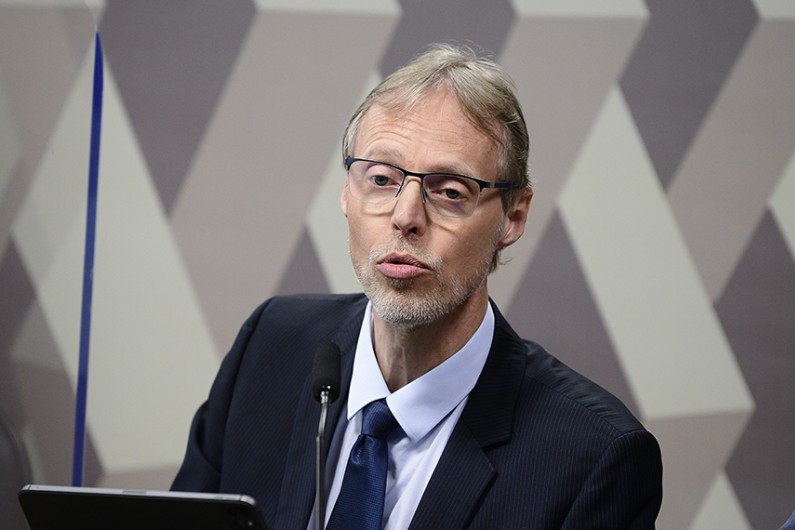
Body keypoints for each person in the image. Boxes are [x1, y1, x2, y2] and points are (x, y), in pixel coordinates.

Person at [172, 43, 663, 529]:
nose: (405, 218)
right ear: (346, 192)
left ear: (513, 216)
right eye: (382, 179)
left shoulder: (594, 458)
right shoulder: (270, 347)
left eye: (450, 192)